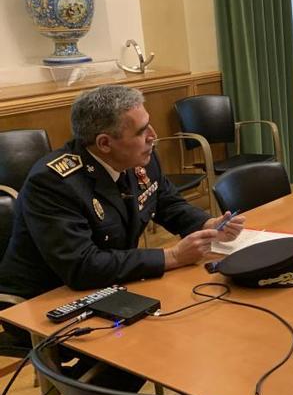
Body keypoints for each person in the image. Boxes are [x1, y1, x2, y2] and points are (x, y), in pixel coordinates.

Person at [0, 85, 245, 350]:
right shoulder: (54, 183)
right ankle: (84, 392)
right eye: (142, 131)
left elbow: (166, 202)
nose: (154, 136)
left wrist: (206, 224)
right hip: (44, 300)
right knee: (147, 343)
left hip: (106, 284)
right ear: (105, 143)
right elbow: (82, 267)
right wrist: (172, 257)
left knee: (184, 320)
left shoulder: (141, 157)